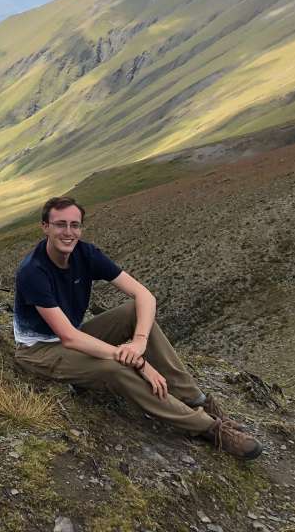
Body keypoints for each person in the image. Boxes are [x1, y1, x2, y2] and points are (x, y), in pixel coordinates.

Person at [13, 196, 262, 459]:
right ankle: (210, 429)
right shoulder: (33, 271)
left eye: (75, 225)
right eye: (60, 225)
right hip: (40, 350)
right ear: (45, 227)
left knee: (135, 312)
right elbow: (69, 337)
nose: (68, 232)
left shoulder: (85, 254)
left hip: (74, 337)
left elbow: (144, 296)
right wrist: (140, 363)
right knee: (114, 367)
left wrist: (139, 342)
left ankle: (197, 400)